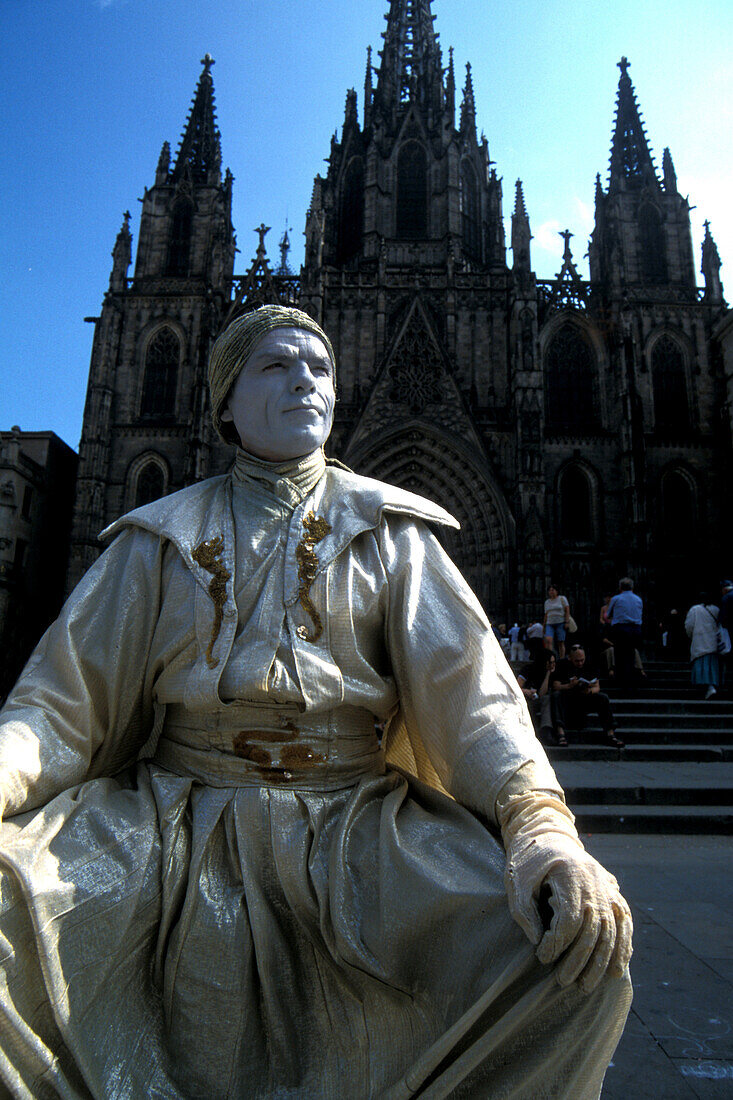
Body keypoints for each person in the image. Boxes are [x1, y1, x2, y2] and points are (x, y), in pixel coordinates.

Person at [0, 306, 631, 1099]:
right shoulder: (153, 540)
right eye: (274, 366)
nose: (304, 379)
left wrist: (540, 830)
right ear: (224, 403)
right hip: (169, 824)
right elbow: (58, 710)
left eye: (320, 367)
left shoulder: (397, 536)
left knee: (575, 950)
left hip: (357, 829)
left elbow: (477, 706)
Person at [552, 645, 625, 749]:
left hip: (585, 697)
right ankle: (560, 734)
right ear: (570, 658)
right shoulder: (562, 665)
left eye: (582, 660)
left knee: (603, 698)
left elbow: (597, 687)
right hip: (568, 699)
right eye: (577, 661)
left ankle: (610, 734)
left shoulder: (590, 665)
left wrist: (590, 691)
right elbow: (556, 686)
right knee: (556, 696)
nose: (580, 663)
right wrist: (569, 685)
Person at [606, 578, 643, 693]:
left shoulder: (616, 599)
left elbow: (608, 615)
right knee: (631, 654)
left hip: (621, 628)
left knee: (620, 655)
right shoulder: (638, 599)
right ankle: (632, 680)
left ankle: (622, 681)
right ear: (632, 587)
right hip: (635, 629)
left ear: (620, 587)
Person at [685, 592, 724, 699]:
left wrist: (691, 636)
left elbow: (689, 626)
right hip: (713, 642)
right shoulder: (716, 609)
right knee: (712, 665)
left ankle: (707, 687)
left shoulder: (694, 610)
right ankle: (712, 685)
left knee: (701, 664)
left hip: (700, 641)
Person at [516, 650, 557, 744]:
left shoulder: (549, 673)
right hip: (525, 700)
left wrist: (548, 674)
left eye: (554, 662)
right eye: (550, 663)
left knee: (546, 698)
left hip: (537, 700)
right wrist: (526, 691)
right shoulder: (528, 669)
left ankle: (546, 730)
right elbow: (516, 687)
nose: (553, 665)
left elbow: (542, 693)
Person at [543, 583, 571, 658]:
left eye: (553, 590)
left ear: (557, 591)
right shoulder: (547, 602)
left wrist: (567, 621)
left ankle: (561, 658)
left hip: (560, 622)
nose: (551, 592)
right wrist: (544, 626)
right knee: (548, 640)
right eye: (550, 590)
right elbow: (546, 614)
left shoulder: (562, 599)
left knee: (560, 642)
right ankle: (550, 657)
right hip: (550, 623)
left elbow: (567, 610)